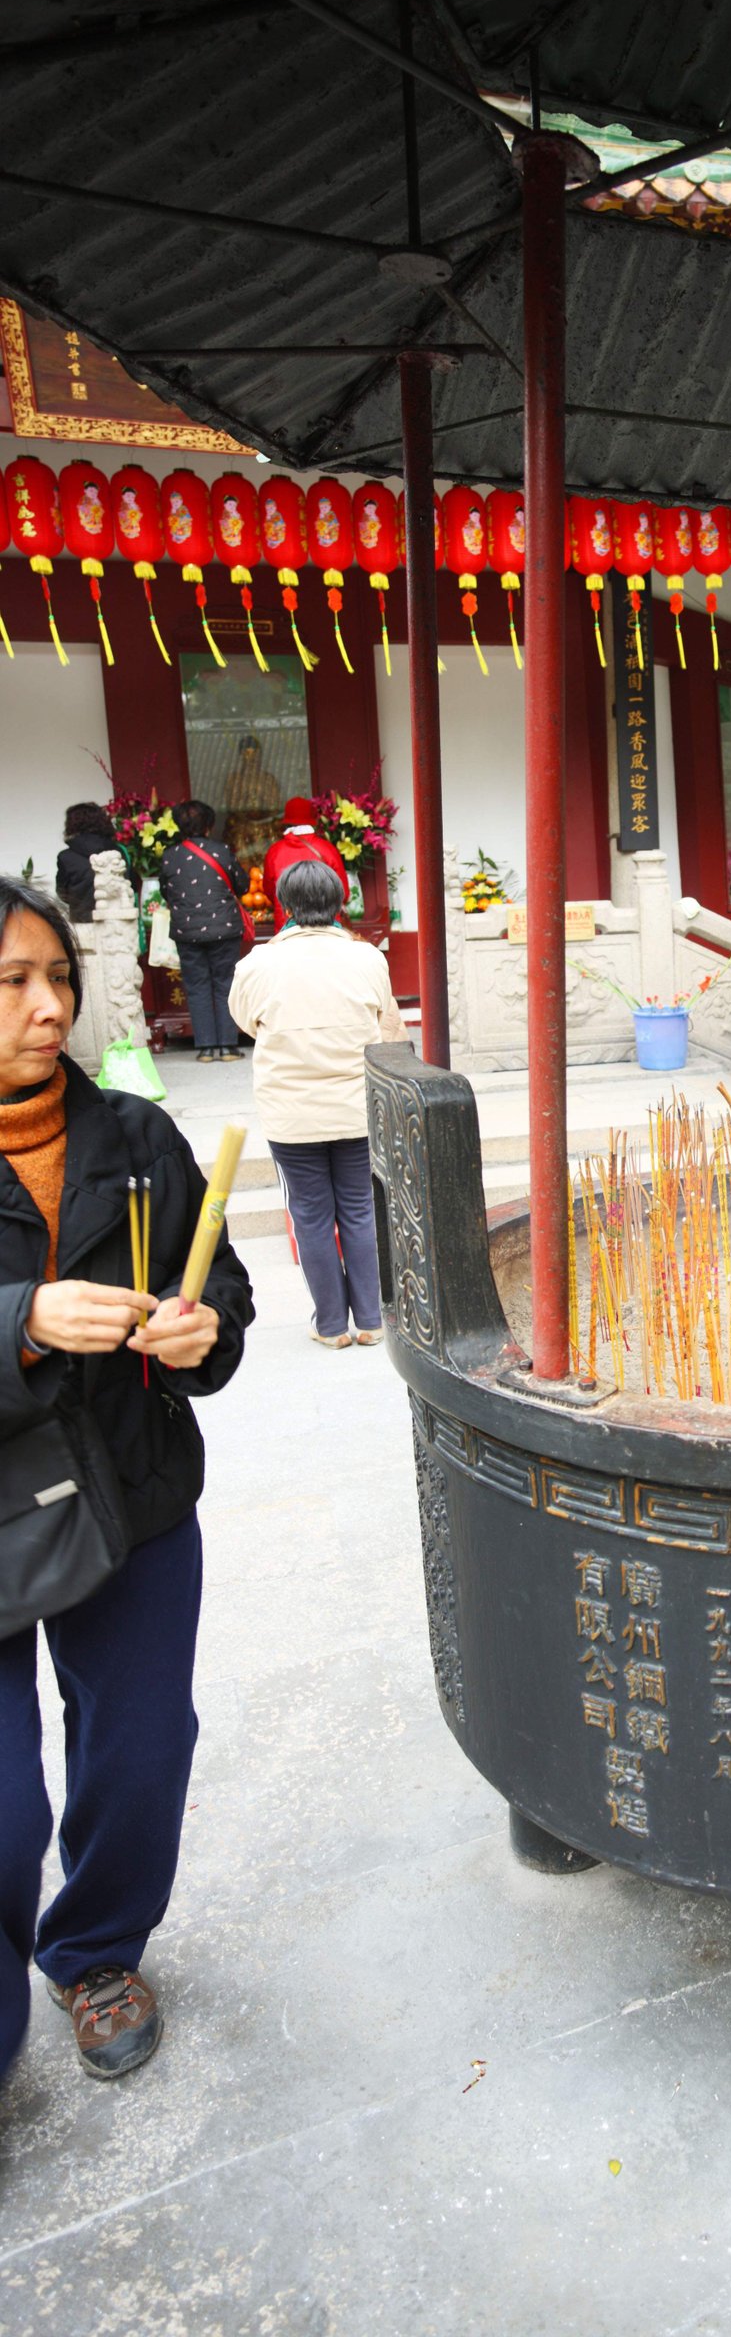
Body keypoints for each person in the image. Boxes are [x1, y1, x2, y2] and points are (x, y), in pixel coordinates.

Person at [0, 876, 252, 2087]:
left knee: (142, 1746)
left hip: (134, 1489)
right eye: (12, 985)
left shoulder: (136, 1138)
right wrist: (22, 1322)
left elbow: (230, 1294)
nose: (47, 1008)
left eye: (58, 978)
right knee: (1, 1806)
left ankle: (97, 1949)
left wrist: (206, 1336)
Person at [229, 860, 405, 1349]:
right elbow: (382, 1015)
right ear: (340, 901)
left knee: (309, 1214)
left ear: (284, 904)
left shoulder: (256, 964)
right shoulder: (367, 958)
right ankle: (371, 1320)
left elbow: (245, 1023)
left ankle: (330, 1325)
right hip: (354, 1107)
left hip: (291, 1114)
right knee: (360, 1208)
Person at [157, 800, 248, 1064]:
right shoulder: (221, 850)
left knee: (196, 986)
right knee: (225, 984)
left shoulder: (170, 855)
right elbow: (241, 884)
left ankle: (206, 1048)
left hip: (187, 930)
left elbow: (165, 890)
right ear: (209, 825)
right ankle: (229, 1047)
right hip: (224, 928)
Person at [263, 797, 349, 934]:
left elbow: (269, 890)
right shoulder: (327, 848)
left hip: (288, 926)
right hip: (327, 925)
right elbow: (343, 892)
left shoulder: (275, 851)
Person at [54, 804, 133, 925]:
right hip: (119, 923)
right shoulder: (118, 852)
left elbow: (62, 893)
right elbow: (129, 884)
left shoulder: (66, 857)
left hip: (82, 922)